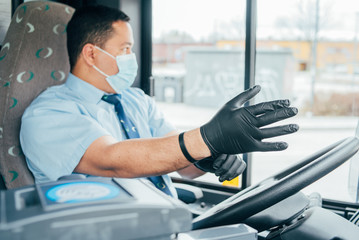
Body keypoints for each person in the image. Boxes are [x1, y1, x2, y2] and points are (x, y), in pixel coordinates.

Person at [19, 5, 298, 197]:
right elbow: (112, 161)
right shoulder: (48, 113)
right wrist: (208, 137)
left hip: (166, 221)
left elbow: (177, 160)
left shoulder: (135, 100)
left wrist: (207, 159)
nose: (132, 57)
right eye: (125, 49)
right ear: (91, 54)